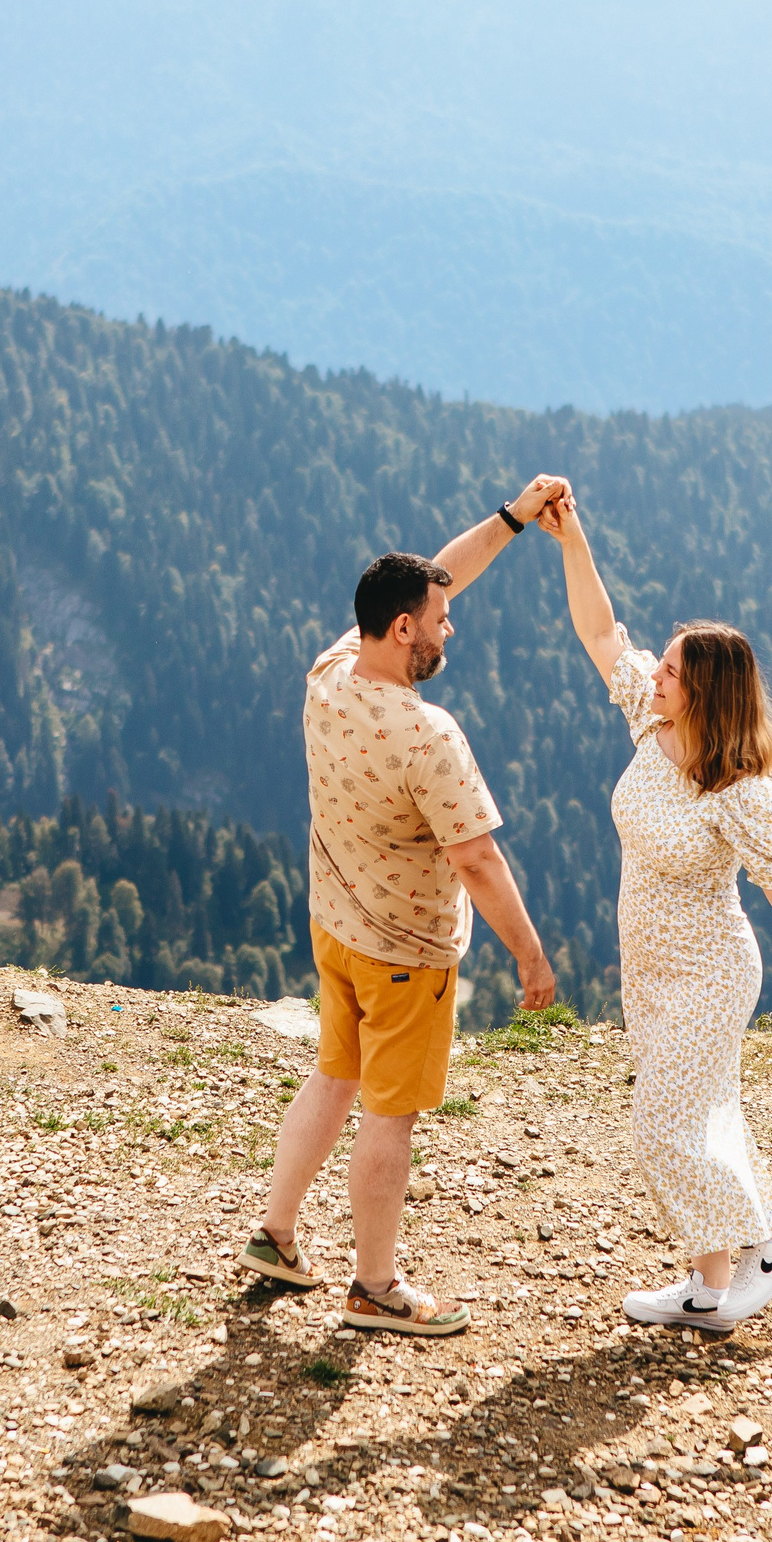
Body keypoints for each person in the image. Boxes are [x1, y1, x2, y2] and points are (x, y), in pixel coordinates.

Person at [537, 488, 772, 1332]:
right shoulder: (651, 731)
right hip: (650, 971)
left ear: (704, 693)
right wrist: (573, 535)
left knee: (664, 1123)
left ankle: (768, 1240)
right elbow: (599, 630)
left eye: (671, 672)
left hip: (711, 973)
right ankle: (708, 1287)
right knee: (698, 1116)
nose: (653, 674)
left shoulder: (742, 793)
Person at [237, 477, 567, 1335]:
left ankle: (276, 1235)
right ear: (402, 629)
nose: (450, 622)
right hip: (407, 953)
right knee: (390, 1114)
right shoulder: (429, 734)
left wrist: (512, 518)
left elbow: (439, 574)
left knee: (333, 1074)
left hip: (336, 928)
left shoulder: (330, 671)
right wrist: (530, 955)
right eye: (438, 618)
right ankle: (376, 1285)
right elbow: (479, 859)